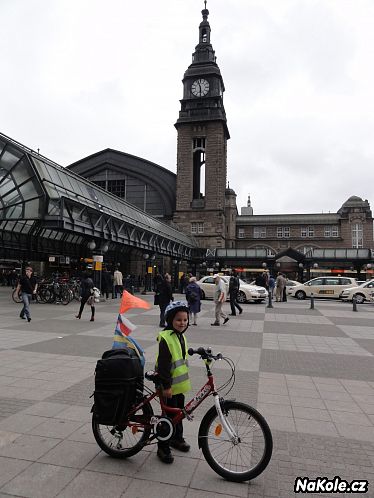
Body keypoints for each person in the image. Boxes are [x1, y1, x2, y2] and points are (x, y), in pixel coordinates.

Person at [155, 300, 191, 463]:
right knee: (167, 417)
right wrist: (166, 386)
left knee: (179, 413)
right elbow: (163, 365)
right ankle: (162, 447)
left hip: (178, 386)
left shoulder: (181, 336)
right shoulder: (166, 338)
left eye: (185, 319)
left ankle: (177, 438)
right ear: (170, 320)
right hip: (167, 385)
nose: (182, 323)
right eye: (178, 320)